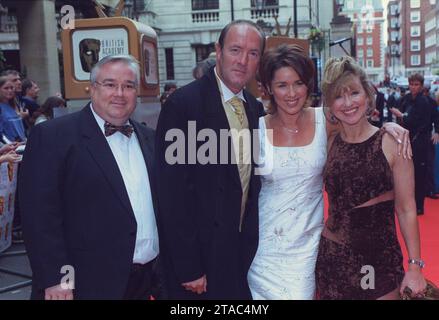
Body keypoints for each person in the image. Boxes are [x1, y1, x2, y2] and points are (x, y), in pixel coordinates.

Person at [247, 45, 410, 300]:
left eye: (298, 83)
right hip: (263, 250)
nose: (291, 93)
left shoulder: (325, 121)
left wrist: (387, 127)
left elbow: (357, 125)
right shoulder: (253, 129)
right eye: (281, 85)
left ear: (308, 86)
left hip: (308, 249)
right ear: (268, 88)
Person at [19, 55, 161, 300]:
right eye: (109, 84)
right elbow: (39, 216)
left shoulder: (150, 138)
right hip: (85, 284)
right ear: (92, 89)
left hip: (148, 282)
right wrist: (57, 279)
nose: (120, 93)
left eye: (128, 86)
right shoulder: (53, 136)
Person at [155, 20, 265, 299]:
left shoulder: (254, 108)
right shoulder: (183, 105)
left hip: (237, 255)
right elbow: (171, 194)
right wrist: (188, 266)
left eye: (252, 53)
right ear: (219, 51)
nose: (243, 61)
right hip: (198, 265)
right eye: (235, 50)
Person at [316, 56, 426, 300]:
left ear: (367, 94)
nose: (347, 103)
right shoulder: (328, 139)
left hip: (379, 262)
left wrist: (415, 266)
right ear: (330, 104)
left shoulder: (392, 142)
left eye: (354, 93)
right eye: (338, 96)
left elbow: (407, 208)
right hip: (332, 261)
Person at [390, 74, 437, 215]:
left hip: (421, 142)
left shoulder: (426, 101)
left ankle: (419, 205)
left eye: (417, 84)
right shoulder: (405, 99)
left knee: (419, 173)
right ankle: (406, 203)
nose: (414, 87)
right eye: (412, 84)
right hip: (406, 140)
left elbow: (422, 120)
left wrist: (437, 132)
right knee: (404, 173)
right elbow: (394, 108)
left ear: (421, 85)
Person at [0, 76, 27, 143]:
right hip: (9, 149)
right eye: (6, 88)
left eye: (12, 88)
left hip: (22, 145)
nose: (10, 90)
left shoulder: (15, 105)